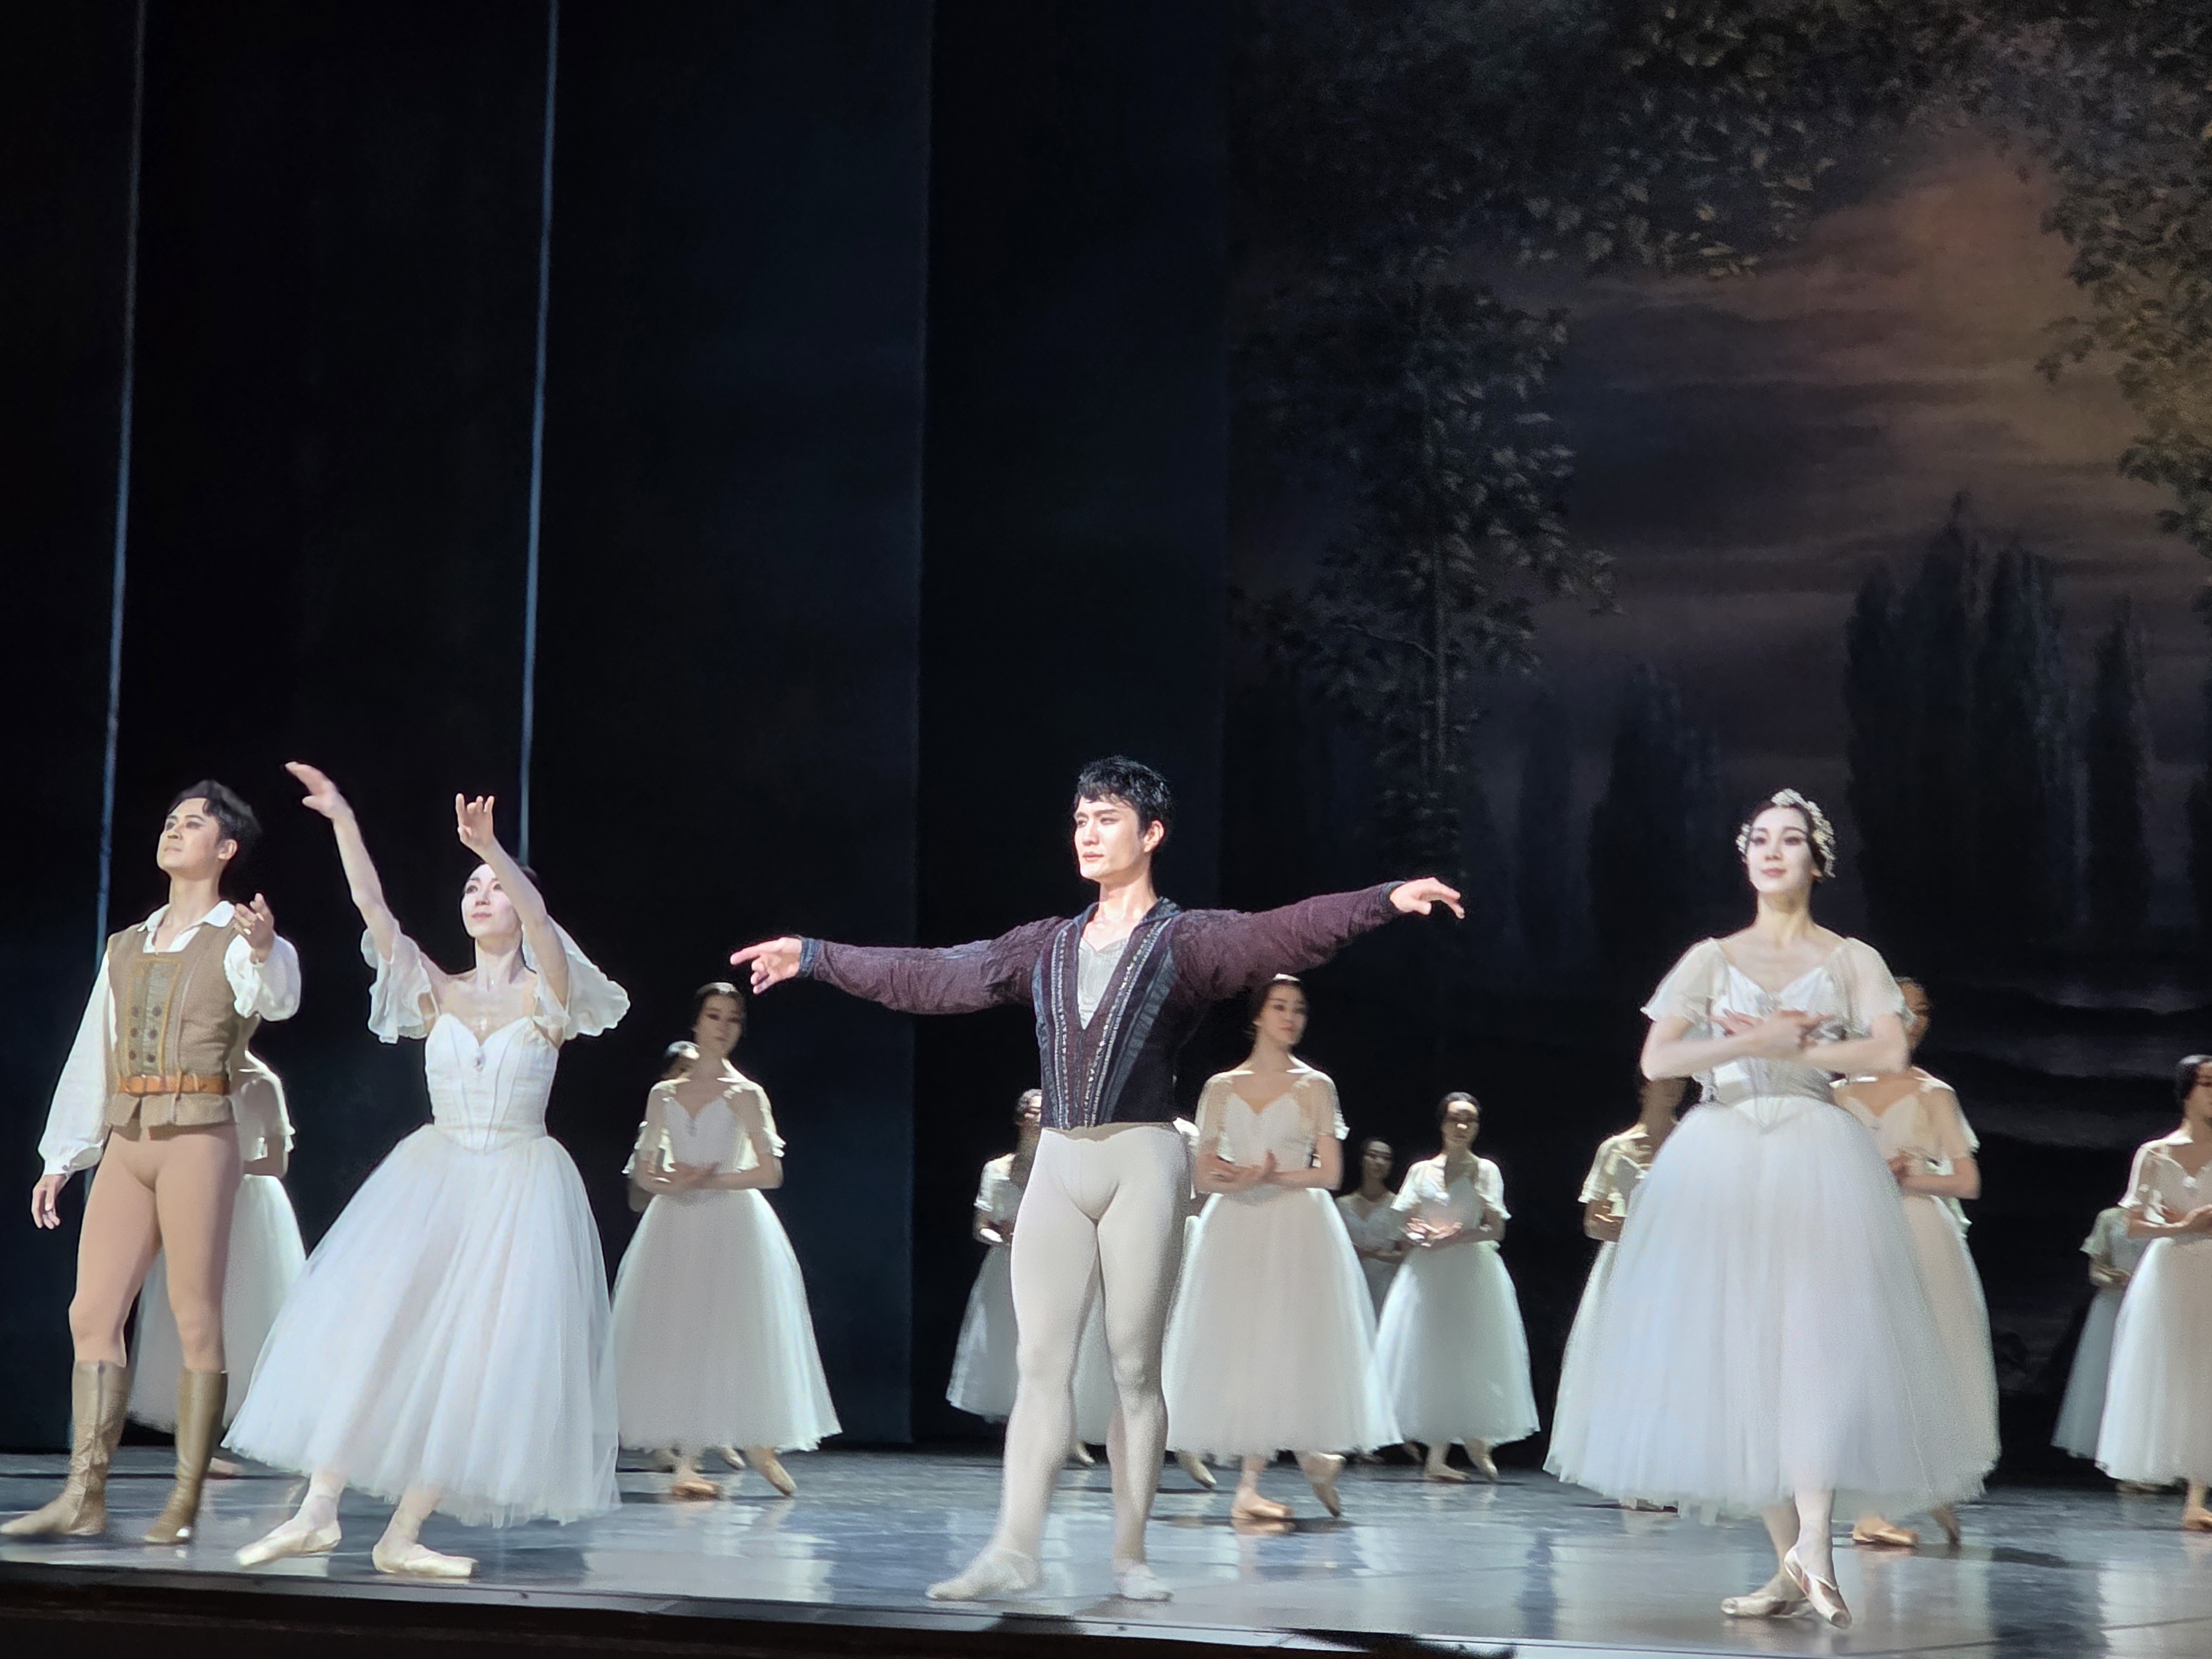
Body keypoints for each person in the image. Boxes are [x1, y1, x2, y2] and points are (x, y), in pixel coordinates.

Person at [733, 756, 1460, 1602]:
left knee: (1133, 1368)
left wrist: (1383, 900)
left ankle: (1130, 1556)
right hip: (1060, 1162)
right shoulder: (1043, 946)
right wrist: (815, 955)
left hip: (1142, 1160)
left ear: (1152, 834)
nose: (1086, 831)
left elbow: (1283, 932)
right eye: (1080, 818)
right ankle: (1014, 1548)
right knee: (1039, 1364)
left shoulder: (1187, 941)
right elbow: (934, 975)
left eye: (1107, 817)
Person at [1546, 790, 1984, 1632]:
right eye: (1759, 840)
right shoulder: (1711, 959)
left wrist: (1808, 1047)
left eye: (1791, 840)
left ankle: (1816, 1541)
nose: (1773, 851)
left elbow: (1890, 1046)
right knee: (1745, 1358)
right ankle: (1791, 1564)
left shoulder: (1850, 957)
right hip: (1725, 1151)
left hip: (1815, 1151)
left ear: (1818, 860)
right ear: (1745, 857)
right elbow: (1660, 1055)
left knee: (1814, 1346)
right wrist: (1754, 1040)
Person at [229, 765, 627, 1577]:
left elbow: (542, 924)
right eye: (472, 886)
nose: (481, 895)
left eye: (496, 889)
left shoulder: (548, 996)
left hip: (517, 1185)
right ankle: (317, 1512)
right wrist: (343, 818)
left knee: (474, 1362)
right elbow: (373, 909)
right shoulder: (437, 991)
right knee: (379, 1335)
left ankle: (403, 1532)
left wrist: (493, 850)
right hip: (435, 1177)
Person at [8, 783, 300, 1545]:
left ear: (225, 849)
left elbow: (278, 998)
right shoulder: (128, 944)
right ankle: (84, 1495)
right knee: (91, 1312)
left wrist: (264, 949)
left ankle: (185, 1500)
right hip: (128, 1135)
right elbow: (94, 1049)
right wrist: (63, 1157)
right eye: (171, 820)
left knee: (195, 1313)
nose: (175, 830)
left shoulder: (238, 936)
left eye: (193, 823)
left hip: (199, 1133)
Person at [1162, 976, 1397, 1521]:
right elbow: (1203, 1173)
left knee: (1288, 1339)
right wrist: (1240, 1180)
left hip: (1296, 1223)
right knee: (1244, 1342)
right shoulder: (1221, 1087)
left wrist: (1270, 1176)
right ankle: (1290, 1469)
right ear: (1257, 1016)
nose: (1291, 1017)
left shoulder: (1315, 1086)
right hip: (1236, 1223)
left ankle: (1284, 1469)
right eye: (1280, 1007)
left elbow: (1330, 1173)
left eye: (1299, 1009)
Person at [611, 982, 839, 1500]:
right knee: (679, 1331)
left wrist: (710, 1180)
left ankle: (748, 1443)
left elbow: (770, 1171)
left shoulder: (746, 1094)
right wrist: (672, 1184)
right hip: (675, 1222)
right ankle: (688, 1463)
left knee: (725, 1330)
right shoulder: (665, 1095)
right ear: (696, 1022)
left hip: (731, 1221)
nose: (723, 1027)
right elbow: (644, 1171)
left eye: (733, 1019)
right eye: (714, 1016)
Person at [1835, 978, 1997, 1549]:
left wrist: (1909, 1180)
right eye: (1902, 1008)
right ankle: (1871, 1507)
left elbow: (1967, 1181)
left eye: (1922, 1011)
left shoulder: (1934, 1094)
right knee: (1862, 1361)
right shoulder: (1836, 1095)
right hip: (1857, 1234)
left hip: (1920, 1230)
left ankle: (1927, 1480)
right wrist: (1867, 1177)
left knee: (1928, 1355)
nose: (1914, 1019)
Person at [126, 1052, 306, 1479]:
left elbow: (277, 1163)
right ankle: (195, 1449)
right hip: (197, 1201)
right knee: (189, 1318)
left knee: (247, 1316)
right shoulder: (190, 1076)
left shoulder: (263, 1084)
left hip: (248, 1208)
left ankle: (264, 1435)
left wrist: (224, 1164)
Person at [1374, 1092, 1538, 1483]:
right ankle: (1437, 1457)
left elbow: (1496, 1229)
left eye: (1470, 1120)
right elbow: (1402, 1221)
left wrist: (1456, 1236)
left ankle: (1475, 1437)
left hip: (1471, 1270)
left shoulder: (1486, 1171)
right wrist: (1422, 1234)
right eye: (1454, 1119)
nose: (1462, 1127)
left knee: (1470, 1353)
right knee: (1432, 1354)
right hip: (1427, 1271)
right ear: (1442, 1123)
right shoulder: (1421, 1171)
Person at [1545, 1073, 1687, 1508]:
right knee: (1628, 1368)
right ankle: (1630, 1474)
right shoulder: (1616, 1148)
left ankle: (1667, 1472)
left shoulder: (1691, 1144)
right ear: (1645, 1087)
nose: (1675, 1089)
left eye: (1682, 1082)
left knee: (1671, 1370)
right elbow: (1593, 1222)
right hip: (1627, 1269)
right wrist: (1642, 1229)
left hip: (1677, 1269)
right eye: (1666, 1081)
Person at [2094, 1055, 2212, 1531]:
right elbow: (2133, 1224)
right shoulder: (2156, 1153)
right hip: (2172, 1270)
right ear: (2187, 1090)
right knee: (2177, 1371)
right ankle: (2187, 1490)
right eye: (2208, 1084)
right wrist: (2183, 1226)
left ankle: (2197, 1497)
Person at [2053, 1203, 2147, 1472]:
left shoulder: (2171, 1218)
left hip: (2152, 1304)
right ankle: (2118, 1457)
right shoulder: (2110, 1218)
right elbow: (2096, 1272)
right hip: (2113, 1306)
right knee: (2107, 1377)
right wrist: (2112, 1278)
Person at [1335, 1139, 1408, 1314]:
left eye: (1386, 1158)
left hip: (1385, 1287)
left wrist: (1375, 1255)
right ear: (1362, 1160)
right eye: (1373, 1156)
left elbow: (1408, 1253)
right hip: (1348, 1283)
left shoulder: (1399, 1205)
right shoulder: (1342, 1205)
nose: (1379, 1162)